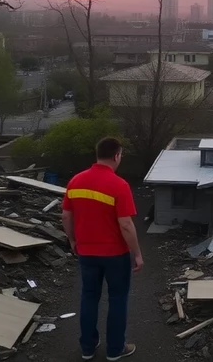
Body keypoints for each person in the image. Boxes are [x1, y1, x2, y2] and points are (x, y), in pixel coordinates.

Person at [62, 137, 142, 361]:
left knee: (89, 296)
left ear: (97, 155)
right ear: (116, 156)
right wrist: (136, 253)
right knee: (117, 299)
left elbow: (66, 215)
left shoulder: (75, 182)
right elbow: (126, 224)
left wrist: (73, 240)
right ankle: (115, 349)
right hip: (115, 255)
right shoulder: (119, 185)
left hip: (86, 253)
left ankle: (87, 347)